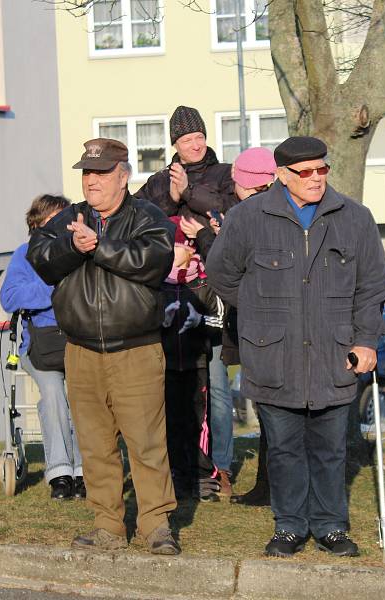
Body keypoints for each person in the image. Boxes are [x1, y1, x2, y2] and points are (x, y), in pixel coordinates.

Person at [206, 136, 385, 558]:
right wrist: (261, 313)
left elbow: (373, 284)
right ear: (282, 176)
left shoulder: (354, 218)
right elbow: (222, 272)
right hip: (273, 353)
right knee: (285, 449)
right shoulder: (249, 216)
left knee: (330, 448)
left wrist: (365, 340)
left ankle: (330, 526)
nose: (316, 178)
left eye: (322, 169)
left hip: (335, 352)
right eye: (305, 172)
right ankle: (289, 526)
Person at [27, 138, 180, 555]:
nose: (91, 181)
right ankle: (108, 525)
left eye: (100, 173)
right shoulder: (70, 219)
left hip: (136, 349)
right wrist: (70, 247)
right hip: (80, 350)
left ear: (123, 176)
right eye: (86, 173)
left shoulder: (149, 216)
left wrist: (100, 247)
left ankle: (155, 524)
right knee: (95, 445)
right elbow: (39, 259)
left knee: (146, 441)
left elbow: (153, 261)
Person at [135, 105, 238, 495]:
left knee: (216, 386)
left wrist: (190, 195)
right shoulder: (159, 181)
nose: (195, 145)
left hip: (211, 293)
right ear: (174, 144)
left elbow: (232, 212)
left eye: (199, 137)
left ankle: (221, 465)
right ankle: (180, 465)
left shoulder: (225, 174)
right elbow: (140, 219)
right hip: (166, 296)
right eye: (186, 140)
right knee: (173, 389)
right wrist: (172, 198)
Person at [180, 146, 277, 504]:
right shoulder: (265, 211)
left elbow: (235, 266)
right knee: (267, 407)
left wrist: (208, 238)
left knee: (268, 407)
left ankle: (262, 484)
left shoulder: (252, 214)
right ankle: (268, 485)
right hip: (253, 325)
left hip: (255, 325)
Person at [0, 194, 84, 501]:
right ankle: (61, 472)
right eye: (55, 220)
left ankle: (84, 470)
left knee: (82, 396)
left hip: (79, 341)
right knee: (52, 394)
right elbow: (10, 297)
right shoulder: (24, 255)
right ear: (39, 224)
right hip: (41, 345)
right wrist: (54, 284)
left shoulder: (80, 251)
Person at [160, 217, 222, 502]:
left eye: (187, 247)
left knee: (198, 421)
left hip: (196, 363)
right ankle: (176, 473)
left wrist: (200, 320)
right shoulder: (157, 285)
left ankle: (201, 472)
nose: (184, 253)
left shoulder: (203, 283)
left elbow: (221, 320)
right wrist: (162, 319)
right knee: (170, 420)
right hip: (165, 365)